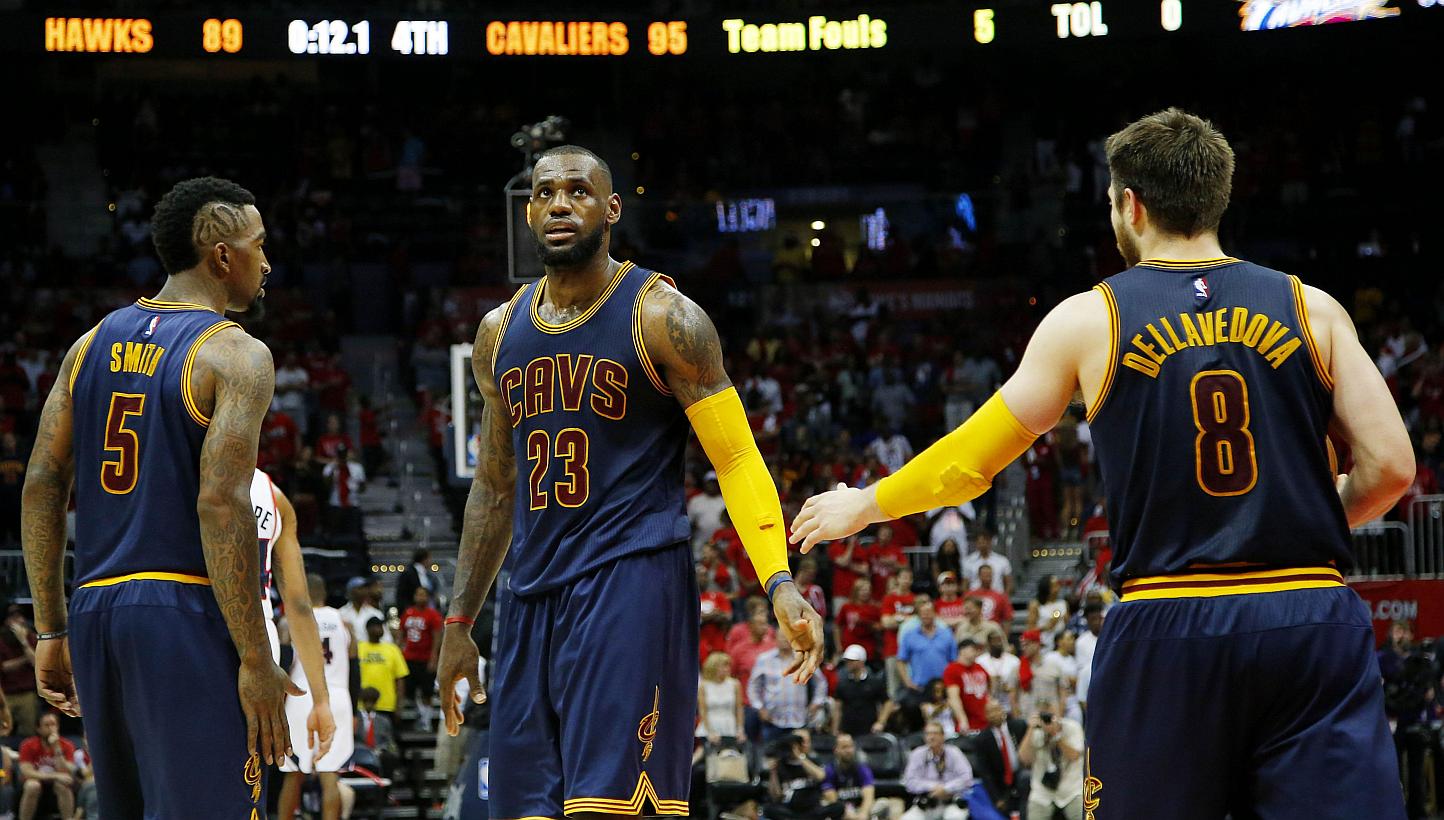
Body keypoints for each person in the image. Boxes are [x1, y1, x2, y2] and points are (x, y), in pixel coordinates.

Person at [790, 109, 1412, 818]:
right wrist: (1293, 515)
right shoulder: (1313, 308)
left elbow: (971, 462)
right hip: (1309, 615)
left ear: (1130, 204)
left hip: (1168, 621)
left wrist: (869, 504)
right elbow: (1391, 466)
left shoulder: (1090, 320)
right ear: (1219, 197)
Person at [435, 145, 822, 818]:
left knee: (611, 809)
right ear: (528, 211)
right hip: (530, 596)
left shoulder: (664, 317)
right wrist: (459, 620)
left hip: (628, 581)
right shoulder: (499, 333)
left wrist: (778, 580)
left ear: (611, 209)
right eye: (546, 192)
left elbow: (734, 458)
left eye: (579, 191)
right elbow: (496, 488)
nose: (561, 203)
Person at [21, 177, 297, 817]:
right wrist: (256, 659)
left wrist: (50, 629)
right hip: (182, 610)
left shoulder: (88, 345)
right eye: (259, 245)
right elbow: (220, 504)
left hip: (95, 611)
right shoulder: (235, 353)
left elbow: (40, 484)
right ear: (223, 257)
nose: (268, 261)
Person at [278, 573, 355, 820]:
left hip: (301, 693)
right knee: (330, 773)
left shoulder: (290, 619)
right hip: (336, 695)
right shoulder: (344, 621)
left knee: (293, 774)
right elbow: (355, 666)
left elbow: (283, 663)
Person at [750, 641, 829, 743]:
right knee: (772, 757)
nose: (784, 640)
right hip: (772, 720)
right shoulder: (764, 659)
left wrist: (816, 702)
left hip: (799, 720)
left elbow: (820, 682)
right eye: (781, 637)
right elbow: (753, 686)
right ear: (776, 638)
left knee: (798, 756)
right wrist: (759, 707)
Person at [1017, 700, 1084, 820]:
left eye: (1051, 715)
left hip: (1071, 790)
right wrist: (1030, 730)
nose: (1048, 720)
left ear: (1059, 713)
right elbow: (1024, 759)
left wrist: (1056, 735)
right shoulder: (1035, 731)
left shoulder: (1073, 727)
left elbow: (1074, 755)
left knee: (1084, 815)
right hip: (1042, 793)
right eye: (1044, 716)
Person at [900, 721, 970, 820]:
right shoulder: (917, 754)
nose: (931, 737)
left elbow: (966, 778)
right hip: (926, 803)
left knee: (955, 817)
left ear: (943, 736)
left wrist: (945, 788)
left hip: (950, 802)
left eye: (935, 733)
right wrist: (932, 787)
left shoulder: (954, 753)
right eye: (928, 734)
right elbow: (910, 782)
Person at [765, 730, 841, 820]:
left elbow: (821, 776)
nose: (803, 745)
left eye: (805, 742)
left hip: (813, 808)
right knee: (769, 809)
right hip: (790, 810)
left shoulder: (813, 760)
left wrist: (799, 757)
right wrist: (773, 772)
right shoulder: (781, 764)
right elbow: (776, 796)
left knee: (838, 807)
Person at [399, 586, 443, 730]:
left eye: (423, 595)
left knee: (427, 691)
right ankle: (419, 715)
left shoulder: (433, 615)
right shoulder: (408, 613)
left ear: (428, 597)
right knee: (410, 691)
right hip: (409, 657)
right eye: (418, 594)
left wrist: (434, 657)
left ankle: (426, 720)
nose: (420, 597)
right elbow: (401, 634)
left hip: (425, 658)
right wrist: (399, 651)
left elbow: (437, 637)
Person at [972, 700, 1025, 816]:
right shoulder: (981, 740)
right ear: (985, 715)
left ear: (1003, 710)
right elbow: (985, 772)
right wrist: (997, 798)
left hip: (1021, 777)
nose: (994, 714)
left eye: (996, 710)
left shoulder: (1019, 726)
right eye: (990, 712)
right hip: (1001, 784)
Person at [19, 712, 76, 820]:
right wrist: (55, 776)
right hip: (36, 780)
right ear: (39, 729)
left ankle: (68, 818)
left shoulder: (67, 745)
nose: (51, 728)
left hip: (58, 782)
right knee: (32, 786)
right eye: (47, 725)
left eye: (53, 724)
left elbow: (65, 770)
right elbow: (26, 771)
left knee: (63, 785)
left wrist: (56, 748)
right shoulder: (28, 744)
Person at [896, 600, 954, 704]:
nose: (926, 615)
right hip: (918, 687)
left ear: (935, 614)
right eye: (922, 613)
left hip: (942, 686)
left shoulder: (947, 634)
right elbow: (901, 660)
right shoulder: (909, 636)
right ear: (918, 616)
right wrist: (907, 681)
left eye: (929, 612)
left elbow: (953, 660)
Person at [830, 644, 893, 737]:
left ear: (861, 662)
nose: (848, 663)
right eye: (848, 661)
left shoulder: (874, 682)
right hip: (848, 729)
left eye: (852, 661)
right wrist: (835, 729)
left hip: (869, 730)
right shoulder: (843, 684)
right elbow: (838, 707)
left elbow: (888, 702)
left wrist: (880, 722)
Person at [821, 733, 885, 820]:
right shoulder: (829, 770)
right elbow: (831, 797)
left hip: (860, 809)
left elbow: (868, 794)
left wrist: (863, 813)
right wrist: (848, 814)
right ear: (836, 750)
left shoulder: (862, 768)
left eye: (851, 746)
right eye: (844, 747)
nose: (849, 750)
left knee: (884, 803)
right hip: (840, 811)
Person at [357, 618, 408, 719]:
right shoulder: (359, 648)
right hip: (362, 704)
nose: (379, 629)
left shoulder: (392, 649)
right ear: (367, 629)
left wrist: (399, 705)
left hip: (387, 704)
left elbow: (400, 678)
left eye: (380, 626)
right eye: (375, 626)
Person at [942, 638, 990, 733]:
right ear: (962, 651)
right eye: (973, 649)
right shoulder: (952, 669)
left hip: (986, 720)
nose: (976, 652)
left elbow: (988, 691)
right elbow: (953, 697)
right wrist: (962, 719)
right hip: (970, 722)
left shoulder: (979, 667)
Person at [698, 651, 744, 744]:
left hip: (729, 725)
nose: (727, 669)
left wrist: (740, 729)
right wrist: (709, 732)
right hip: (710, 726)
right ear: (713, 668)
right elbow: (703, 711)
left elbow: (739, 709)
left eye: (728, 666)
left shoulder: (735, 684)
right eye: (723, 666)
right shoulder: (704, 686)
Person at [977, 631, 1020, 717]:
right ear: (988, 643)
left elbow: (1018, 683)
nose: (998, 644)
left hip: (1009, 704)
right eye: (994, 641)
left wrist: (1010, 688)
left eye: (1000, 640)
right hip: (989, 705)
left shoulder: (1014, 661)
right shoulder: (980, 661)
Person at [960, 526, 1011, 596]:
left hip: (997, 598)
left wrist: (1005, 598)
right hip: (975, 599)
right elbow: (965, 584)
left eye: (985, 542)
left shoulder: (1002, 560)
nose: (983, 544)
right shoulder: (968, 561)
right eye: (980, 542)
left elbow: (1008, 583)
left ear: (990, 542)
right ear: (976, 543)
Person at [1025, 576, 1068, 650]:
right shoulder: (1036, 605)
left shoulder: (1063, 603)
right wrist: (1046, 626)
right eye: (1054, 586)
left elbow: (1067, 625)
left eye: (1058, 585)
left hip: (1061, 646)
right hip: (1044, 644)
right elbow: (1029, 630)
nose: (1058, 588)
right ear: (1046, 588)